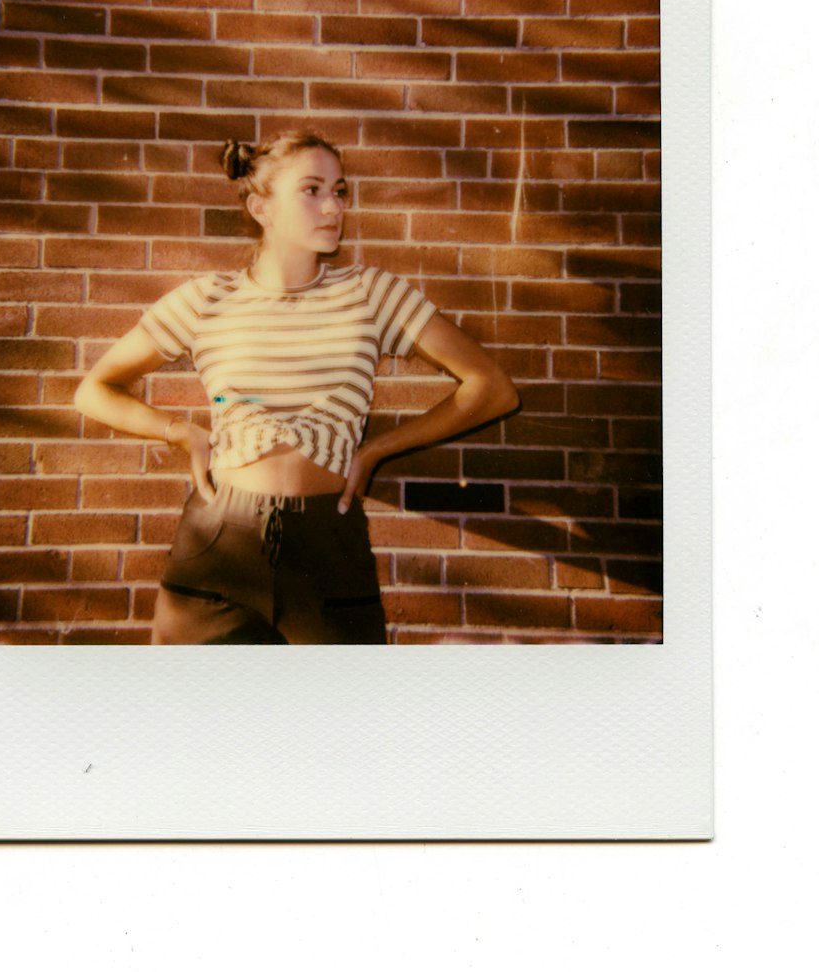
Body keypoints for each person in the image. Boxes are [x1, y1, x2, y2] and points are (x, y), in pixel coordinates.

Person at [74, 131, 519, 644]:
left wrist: (376, 451)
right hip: (218, 543)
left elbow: (492, 388)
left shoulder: (372, 293)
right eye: (312, 190)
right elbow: (95, 390)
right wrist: (181, 433)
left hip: (328, 541)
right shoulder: (205, 300)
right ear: (262, 207)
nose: (334, 206)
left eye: (340, 190)